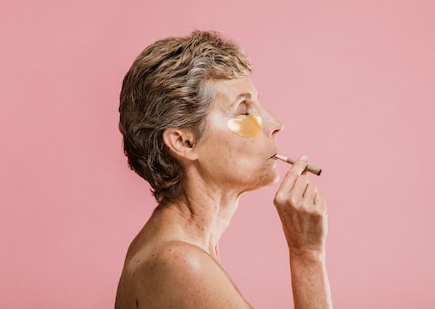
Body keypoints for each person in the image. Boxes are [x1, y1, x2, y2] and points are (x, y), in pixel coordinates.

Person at [115, 30, 332, 309]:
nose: (275, 123)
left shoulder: (181, 250)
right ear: (184, 142)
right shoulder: (180, 264)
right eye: (244, 112)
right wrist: (307, 254)